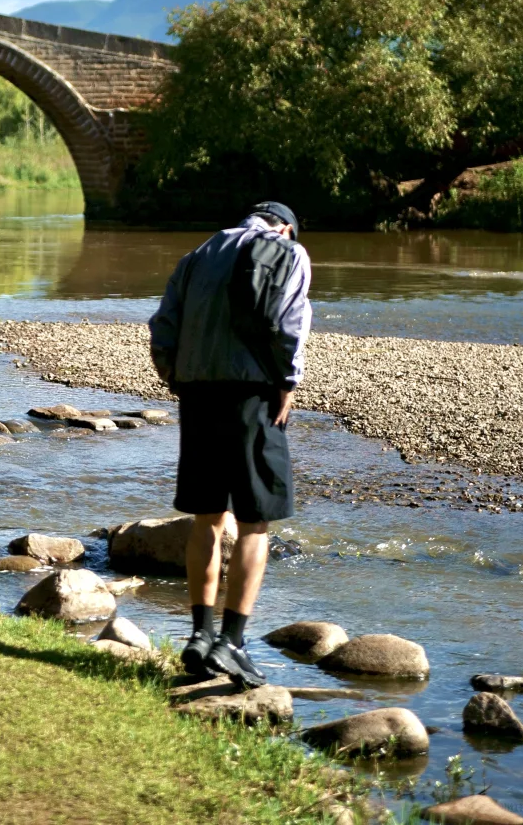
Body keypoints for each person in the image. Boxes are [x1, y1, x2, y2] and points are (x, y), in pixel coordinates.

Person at [148, 201, 311, 688]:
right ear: (286, 228)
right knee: (255, 523)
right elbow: (288, 323)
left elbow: (163, 325)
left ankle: (200, 635)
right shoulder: (289, 252)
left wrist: (177, 377)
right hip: (253, 395)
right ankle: (233, 644)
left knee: (207, 519)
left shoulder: (198, 254)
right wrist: (287, 383)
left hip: (197, 393)